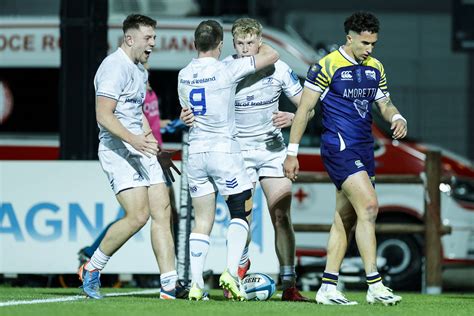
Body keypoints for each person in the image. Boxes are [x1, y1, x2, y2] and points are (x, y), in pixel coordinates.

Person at [180, 17, 309, 301]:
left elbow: (308, 107)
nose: (246, 48)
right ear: (232, 44)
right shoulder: (226, 69)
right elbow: (200, 105)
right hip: (237, 152)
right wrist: (186, 114)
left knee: (281, 214)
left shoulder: (279, 69)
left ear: (260, 41)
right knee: (243, 218)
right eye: (240, 43)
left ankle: (289, 282)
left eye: (251, 42)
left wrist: (293, 117)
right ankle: (238, 270)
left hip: (272, 149)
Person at [283, 11, 406, 305]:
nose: (370, 49)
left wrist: (396, 116)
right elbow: (304, 110)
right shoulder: (327, 66)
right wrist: (292, 152)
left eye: (374, 43)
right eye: (365, 43)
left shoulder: (375, 67)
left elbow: (384, 103)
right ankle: (375, 284)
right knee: (370, 206)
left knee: (346, 218)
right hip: (338, 146)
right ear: (349, 37)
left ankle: (327, 286)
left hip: (363, 147)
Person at [78, 14, 179, 300]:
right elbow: (103, 115)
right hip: (117, 149)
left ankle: (169, 285)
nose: (153, 44)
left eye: (154, 38)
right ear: (129, 38)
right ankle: (93, 267)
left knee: (163, 211)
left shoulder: (140, 70)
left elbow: (138, 116)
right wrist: (134, 139)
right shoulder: (113, 67)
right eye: (148, 38)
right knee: (137, 216)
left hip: (140, 148)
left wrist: (154, 147)